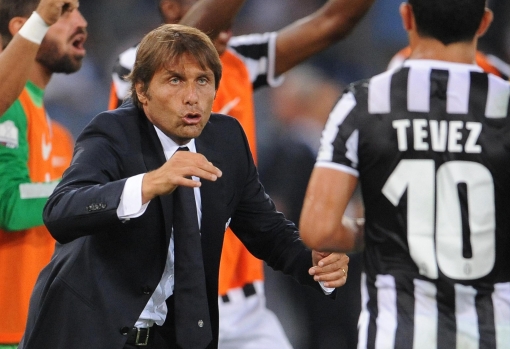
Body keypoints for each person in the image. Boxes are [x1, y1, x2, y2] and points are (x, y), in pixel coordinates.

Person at [19, 24, 348, 349]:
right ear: (142, 92)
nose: (192, 97)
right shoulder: (111, 132)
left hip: (176, 336)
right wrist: (147, 184)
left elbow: (265, 227)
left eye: (202, 81)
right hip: (90, 333)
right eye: (175, 80)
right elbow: (62, 211)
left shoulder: (226, 139)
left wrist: (315, 262)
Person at [299, 0, 510, 348]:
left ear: (406, 17)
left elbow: (318, 227)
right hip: (494, 333)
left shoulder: (361, 104)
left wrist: (382, 229)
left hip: (395, 334)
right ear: (485, 22)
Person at [108, 1, 375, 348]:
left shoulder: (240, 58)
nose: (230, 26)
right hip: (170, 306)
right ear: (172, 8)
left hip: (247, 306)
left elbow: (333, 22)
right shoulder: (135, 65)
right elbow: (189, 40)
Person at [0, 1, 85, 348]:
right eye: (64, 13)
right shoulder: (10, 108)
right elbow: (9, 204)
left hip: (40, 329)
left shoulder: (61, 134)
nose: (81, 22)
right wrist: (92, 193)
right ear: (23, 26)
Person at [0, 0, 79, 116]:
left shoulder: (54, 128)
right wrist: (40, 21)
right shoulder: (14, 104)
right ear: (20, 27)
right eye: (63, 15)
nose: (82, 23)